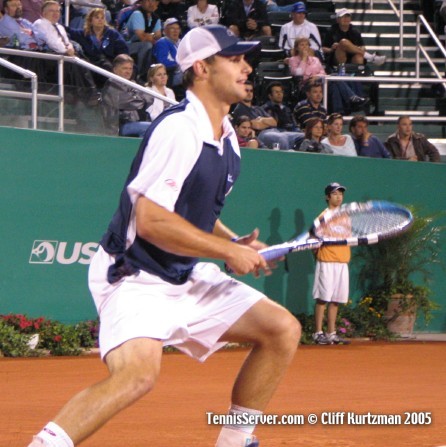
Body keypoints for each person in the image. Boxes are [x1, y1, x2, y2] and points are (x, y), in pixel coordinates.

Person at [26, 24, 300, 447]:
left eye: (246, 59)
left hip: (182, 276)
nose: (247, 68)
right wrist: (224, 250)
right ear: (201, 69)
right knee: (138, 375)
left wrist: (233, 242)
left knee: (281, 329)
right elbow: (152, 220)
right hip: (134, 275)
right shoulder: (180, 130)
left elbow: (192, 210)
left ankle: (235, 440)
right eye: (235, 59)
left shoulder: (227, 136)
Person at [32, 0, 99, 103]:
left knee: (85, 61)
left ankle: (90, 93)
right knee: (73, 64)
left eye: (58, 11)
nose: (56, 14)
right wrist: (67, 51)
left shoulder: (59, 26)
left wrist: (70, 49)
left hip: (64, 53)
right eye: (52, 11)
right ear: (43, 13)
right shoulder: (40, 24)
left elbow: (67, 41)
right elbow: (51, 42)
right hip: (48, 57)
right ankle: (84, 94)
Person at [285, 37, 368, 114]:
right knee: (334, 79)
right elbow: (298, 73)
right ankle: (351, 98)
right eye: (302, 45)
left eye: (306, 45)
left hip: (320, 81)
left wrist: (317, 77)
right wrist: (303, 59)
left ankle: (338, 112)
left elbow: (323, 73)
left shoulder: (315, 59)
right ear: (296, 48)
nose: (304, 47)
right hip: (305, 84)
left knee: (334, 85)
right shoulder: (293, 60)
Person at [312, 182, 351, 345]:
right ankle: (318, 333)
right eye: (335, 194)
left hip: (342, 262)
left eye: (341, 194)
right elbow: (313, 242)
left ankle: (331, 333)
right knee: (323, 298)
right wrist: (320, 256)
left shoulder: (346, 217)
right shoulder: (322, 217)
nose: (339, 197)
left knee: (335, 299)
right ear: (327, 197)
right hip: (327, 261)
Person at [232, 80, 298, 150]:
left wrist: (261, 120)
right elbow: (255, 125)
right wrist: (266, 122)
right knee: (282, 139)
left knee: (301, 136)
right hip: (262, 134)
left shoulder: (257, 108)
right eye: (246, 91)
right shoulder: (240, 109)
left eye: (251, 91)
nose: (249, 93)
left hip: (276, 131)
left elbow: (274, 122)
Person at [101, 53, 154, 136]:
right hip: (117, 126)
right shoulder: (111, 84)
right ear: (115, 70)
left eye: (130, 68)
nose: (128, 71)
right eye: (125, 68)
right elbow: (129, 103)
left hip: (133, 122)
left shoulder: (132, 83)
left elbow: (150, 98)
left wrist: (136, 98)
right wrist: (139, 97)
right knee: (149, 127)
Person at [67, 8, 129, 73]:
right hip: (91, 67)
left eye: (102, 18)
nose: (100, 20)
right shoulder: (84, 34)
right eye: (97, 17)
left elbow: (123, 50)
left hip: (110, 67)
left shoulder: (113, 34)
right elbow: (68, 30)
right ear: (90, 20)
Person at [322, 8, 386, 70]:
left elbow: (363, 47)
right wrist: (331, 49)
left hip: (352, 57)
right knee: (343, 42)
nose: (346, 19)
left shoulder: (355, 31)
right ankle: (370, 57)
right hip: (336, 58)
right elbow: (322, 49)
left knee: (359, 56)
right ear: (338, 20)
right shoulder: (331, 30)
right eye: (343, 17)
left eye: (348, 17)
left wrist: (359, 48)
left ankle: (356, 76)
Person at [261, 80, 304, 150]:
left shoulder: (287, 109)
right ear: (270, 96)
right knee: (283, 138)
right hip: (276, 132)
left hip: (291, 132)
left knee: (305, 137)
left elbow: (294, 124)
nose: (279, 94)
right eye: (276, 92)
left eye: (281, 92)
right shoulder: (265, 109)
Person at [125, 0, 162, 81]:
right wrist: (152, 36)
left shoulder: (156, 18)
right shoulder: (137, 14)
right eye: (148, 0)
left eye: (155, 1)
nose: (152, 3)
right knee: (147, 45)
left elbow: (158, 37)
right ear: (142, 2)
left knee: (158, 46)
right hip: (127, 46)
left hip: (141, 46)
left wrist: (150, 36)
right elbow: (142, 37)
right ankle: (140, 74)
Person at [153, 17, 182, 88]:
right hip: (170, 76)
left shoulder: (181, 42)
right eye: (172, 28)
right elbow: (162, 62)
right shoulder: (162, 42)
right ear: (165, 31)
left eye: (177, 28)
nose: (175, 31)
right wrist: (181, 64)